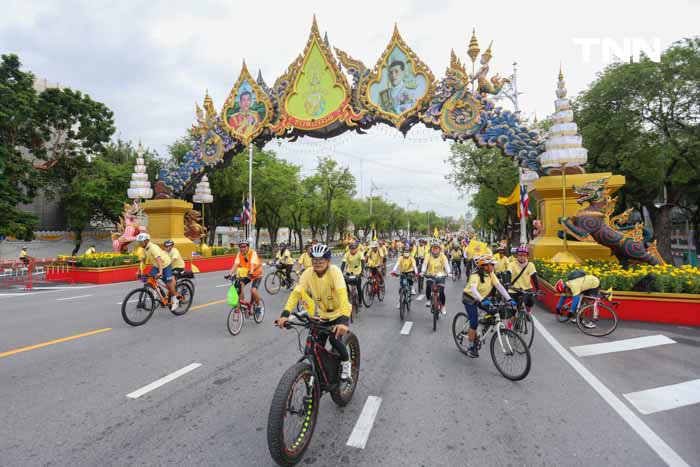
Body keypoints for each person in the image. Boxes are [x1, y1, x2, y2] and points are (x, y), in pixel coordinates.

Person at [275, 244, 353, 381]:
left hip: (340, 312)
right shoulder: (307, 274)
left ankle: (346, 364)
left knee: (335, 339)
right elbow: (296, 293)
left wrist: (344, 321)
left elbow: (342, 295)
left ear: (328, 261)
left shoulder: (334, 271)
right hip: (323, 315)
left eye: (321, 260)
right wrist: (285, 314)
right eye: (314, 260)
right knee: (314, 347)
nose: (317, 263)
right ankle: (317, 375)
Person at [461, 255, 517, 358]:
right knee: (473, 323)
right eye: (491, 265)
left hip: (481, 298)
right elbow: (473, 288)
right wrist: (482, 300)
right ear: (484, 266)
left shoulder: (491, 274)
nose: (493, 267)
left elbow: (499, 286)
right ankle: (471, 347)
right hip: (470, 298)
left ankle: (481, 329)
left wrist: (509, 299)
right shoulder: (475, 275)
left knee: (494, 311)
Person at [136, 233, 179, 311]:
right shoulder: (145, 248)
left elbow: (159, 260)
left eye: (141, 242)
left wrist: (160, 272)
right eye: (139, 242)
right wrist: (139, 271)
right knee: (150, 280)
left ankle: (175, 300)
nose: (139, 243)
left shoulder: (153, 248)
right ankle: (159, 294)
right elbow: (143, 261)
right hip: (156, 266)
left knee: (169, 283)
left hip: (165, 265)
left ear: (146, 241)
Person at [227, 238, 264, 318]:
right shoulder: (239, 254)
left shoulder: (252, 253)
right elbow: (235, 265)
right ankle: (242, 304)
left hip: (257, 274)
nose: (242, 248)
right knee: (239, 285)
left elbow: (252, 264)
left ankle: (259, 306)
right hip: (248, 274)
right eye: (241, 247)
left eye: (244, 246)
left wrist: (251, 272)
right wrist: (229, 274)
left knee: (253, 290)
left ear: (248, 247)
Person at [421, 239, 451, 314]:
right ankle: (428, 300)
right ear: (431, 249)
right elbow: (424, 264)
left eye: (436, 248)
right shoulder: (428, 255)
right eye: (433, 248)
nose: (435, 249)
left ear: (439, 249)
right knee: (428, 286)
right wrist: (423, 271)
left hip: (441, 276)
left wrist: (449, 272)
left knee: (441, 292)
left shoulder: (442, 256)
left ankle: (443, 306)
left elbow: (446, 264)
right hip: (430, 275)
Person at [341, 242, 364, 307]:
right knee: (344, 281)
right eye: (351, 249)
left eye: (354, 249)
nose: (353, 250)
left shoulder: (359, 253)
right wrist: (341, 272)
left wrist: (362, 271)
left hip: (358, 271)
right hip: (349, 271)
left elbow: (362, 261)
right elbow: (343, 263)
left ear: (356, 249)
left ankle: (360, 301)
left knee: (358, 287)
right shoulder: (347, 254)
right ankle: (348, 292)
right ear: (349, 249)